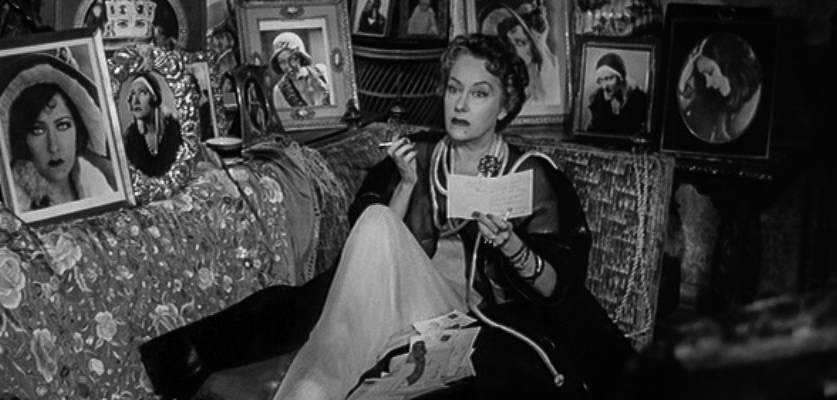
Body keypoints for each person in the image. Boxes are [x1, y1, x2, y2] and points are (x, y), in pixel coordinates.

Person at [140, 34, 633, 400]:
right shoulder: (419, 155)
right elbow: (369, 251)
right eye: (454, 89)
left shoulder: (531, 174)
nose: (460, 104)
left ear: (504, 107)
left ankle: (314, 386)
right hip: (395, 304)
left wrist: (511, 245)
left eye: (479, 93)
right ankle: (313, 384)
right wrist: (407, 184)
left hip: (470, 321)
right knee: (376, 222)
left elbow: (555, 288)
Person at [0, 54, 116, 212]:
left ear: (78, 128)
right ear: (23, 138)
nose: (53, 146)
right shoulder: (16, 200)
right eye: (38, 130)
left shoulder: (92, 178)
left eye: (63, 125)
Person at [677, 32, 762, 143]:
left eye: (711, 72)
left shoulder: (747, 102)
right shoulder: (712, 103)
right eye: (704, 76)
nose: (708, 84)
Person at [482, 2, 561, 106]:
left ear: (533, 52)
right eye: (506, 41)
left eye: (520, 42)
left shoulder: (545, 84)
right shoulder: (494, 82)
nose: (510, 49)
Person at [123, 73, 182, 176]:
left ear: (154, 98)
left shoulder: (174, 130)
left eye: (142, 93)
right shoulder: (131, 137)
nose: (136, 101)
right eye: (132, 94)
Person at [586, 52, 649, 134]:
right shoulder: (596, 100)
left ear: (621, 78)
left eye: (608, 79)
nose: (604, 86)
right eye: (601, 80)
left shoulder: (640, 100)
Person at [269, 32, 331, 109]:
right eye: (282, 62)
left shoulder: (322, 71)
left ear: (301, 57)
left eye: (292, 59)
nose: (288, 67)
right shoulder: (278, 91)